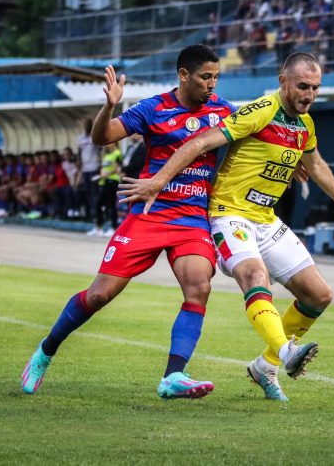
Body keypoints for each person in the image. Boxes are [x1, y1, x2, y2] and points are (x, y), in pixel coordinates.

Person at [120, 53, 334, 402]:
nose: (309, 95)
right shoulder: (261, 111)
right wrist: (157, 181)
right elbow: (198, 142)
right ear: (283, 81)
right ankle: (287, 353)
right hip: (229, 215)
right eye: (302, 86)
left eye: (315, 88)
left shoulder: (304, 124)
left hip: (266, 220)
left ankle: (265, 366)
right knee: (255, 276)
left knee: (319, 295)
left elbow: (316, 166)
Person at [21, 44, 238, 399]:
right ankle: (46, 351)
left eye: (216, 77)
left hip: (192, 217)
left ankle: (173, 377)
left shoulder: (225, 111)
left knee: (199, 287)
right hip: (149, 215)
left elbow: (261, 137)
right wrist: (109, 106)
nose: (212, 84)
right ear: (184, 75)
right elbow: (101, 138)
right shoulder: (153, 108)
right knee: (99, 295)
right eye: (205, 77)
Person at [78, 119, 101, 221]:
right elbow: (79, 152)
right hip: (85, 169)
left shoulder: (95, 136)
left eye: (88, 125)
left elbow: (101, 150)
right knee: (87, 192)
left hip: (94, 167)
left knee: (94, 193)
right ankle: (89, 214)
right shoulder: (80, 138)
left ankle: (96, 214)